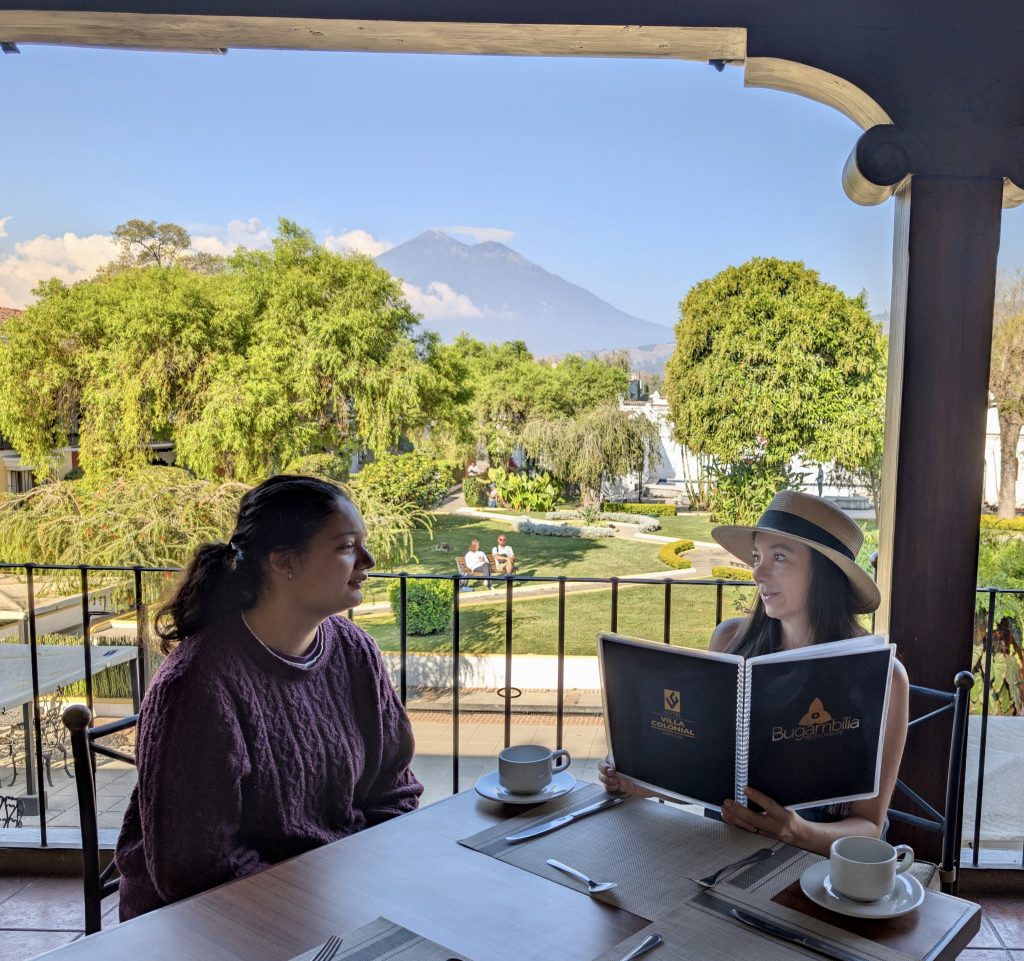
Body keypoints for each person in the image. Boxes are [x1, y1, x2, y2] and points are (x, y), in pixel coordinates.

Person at [114, 475, 423, 919]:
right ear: (283, 561)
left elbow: (395, 786)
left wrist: (369, 878)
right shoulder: (197, 687)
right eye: (345, 546)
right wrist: (324, 900)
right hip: (204, 923)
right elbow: (194, 870)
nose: (368, 561)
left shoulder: (355, 651)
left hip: (334, 895)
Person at [599, 490, 908, 857]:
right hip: (719, 852)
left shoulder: (883, 676)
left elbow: (869, 828)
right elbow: (706, 771)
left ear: (826, 573)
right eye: (758, 557)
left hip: (814, 869)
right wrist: (643, 782)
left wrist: (795, 831)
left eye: (779, 557)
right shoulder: (730, 641)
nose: (757, 572)